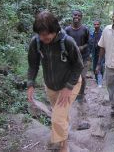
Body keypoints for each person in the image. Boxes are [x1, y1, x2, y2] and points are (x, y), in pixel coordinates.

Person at [27, 11, 83, 152]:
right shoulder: (37, 42)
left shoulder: (67, 42)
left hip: (71, 83)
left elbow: (78, 66)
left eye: (46, 34)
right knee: (60, 115)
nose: (42, 37)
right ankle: (63, 137)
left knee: (57, 118)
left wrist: (68, 87)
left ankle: (64, 147)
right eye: (40, 34)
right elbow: (33, 64)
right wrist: (30, 84)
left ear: (55, 30)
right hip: (51, 86)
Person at [65, 10, 90, 102]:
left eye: (79, 15)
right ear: (72, 16)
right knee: (71, 77)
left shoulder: (85, 29)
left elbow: (88, 43)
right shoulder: (67, 30)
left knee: (82, 77)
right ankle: (71, 94)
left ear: (81, 17)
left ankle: (81, 95)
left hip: (83, 57)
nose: (77, 17)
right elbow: (63, 43)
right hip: (71, 58)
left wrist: (82, 47)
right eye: (75, 15)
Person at [91, 20, 104, 87]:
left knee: (100, 67)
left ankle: (100, 81)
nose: (96, 26)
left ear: (100, 25)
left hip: (101, 53)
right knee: (94, 67)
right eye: (95, 24)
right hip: (94, 53)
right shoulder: (92, 33)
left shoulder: (102, 33)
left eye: (97, 24)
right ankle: (97, 80)